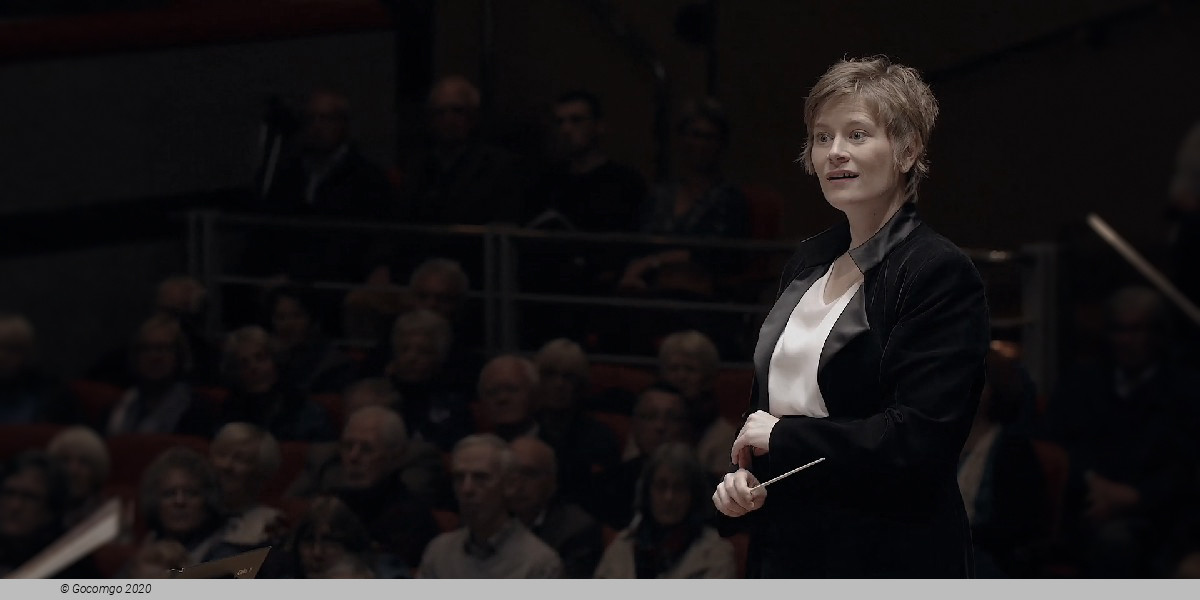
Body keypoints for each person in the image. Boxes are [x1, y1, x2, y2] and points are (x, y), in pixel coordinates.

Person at [712, 56, 991, 578]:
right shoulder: (808, 258)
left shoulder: (938, 271)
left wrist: (783, 438)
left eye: (857, 134)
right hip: (789, 541)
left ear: (908, 150)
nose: (834, 151)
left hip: (887, 550)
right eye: (822, 137)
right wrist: (746, 473)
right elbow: (769, 410)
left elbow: (920, 439)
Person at [595, 442, 736, 579]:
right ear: (647, 492)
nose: (669, 497)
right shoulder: (623, 546)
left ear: (694, 495)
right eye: (661, 486)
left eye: (679, 488)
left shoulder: (717, 553)